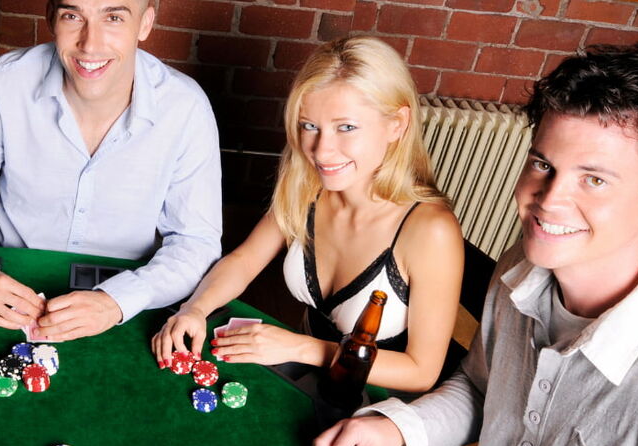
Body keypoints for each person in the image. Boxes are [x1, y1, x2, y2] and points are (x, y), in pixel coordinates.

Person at [312, 44, 638, 446]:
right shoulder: (527, 259)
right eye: (543, 165)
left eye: (593, 179)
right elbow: (483, 386)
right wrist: (401, 428)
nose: (548, 203)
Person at [0, 0, 222, 342]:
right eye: (72, 16)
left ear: (145, 23)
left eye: (113, 17)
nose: (90, 43)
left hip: (124, 290)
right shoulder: (4, 82)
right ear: (50, 17)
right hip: (5, 279)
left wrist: (117, 301)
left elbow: (195, 242)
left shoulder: (185, 107)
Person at [152, 36, 463, 394]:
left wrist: (299, 346)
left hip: (379, 406)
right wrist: (195, 308)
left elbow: (420, 371)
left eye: (346, 127)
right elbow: (243, 260)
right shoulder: (307, 186)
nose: (321, 150)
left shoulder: (431, 230)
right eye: (309, 126)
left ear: (397, 124)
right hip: (305, 380)